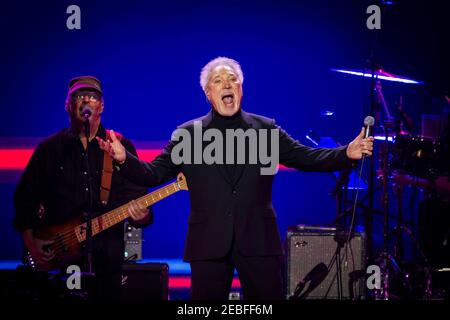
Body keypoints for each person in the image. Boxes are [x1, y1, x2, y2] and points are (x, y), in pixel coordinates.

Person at [98, 57, 374, 300]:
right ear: (208, 93)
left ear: (241, 89)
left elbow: (306, 157)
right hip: (207, 242)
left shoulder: (265, 129)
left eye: (233, 79)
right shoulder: (188, 134)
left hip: (258, 240)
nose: (227, 84)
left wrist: (346, 153)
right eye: (218, 81)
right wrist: (123, 159)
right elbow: (153, 173)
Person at [13, 76, 153, 299]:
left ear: (102, 106)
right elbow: (24, 199)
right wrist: (31, 242)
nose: (85, 101)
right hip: (59, 260)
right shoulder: (48, 150)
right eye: (78, 97)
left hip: (107, 260)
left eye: (92, 97)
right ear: (67, 105)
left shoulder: (120, 146)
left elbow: (139, 203)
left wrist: (141, 215)